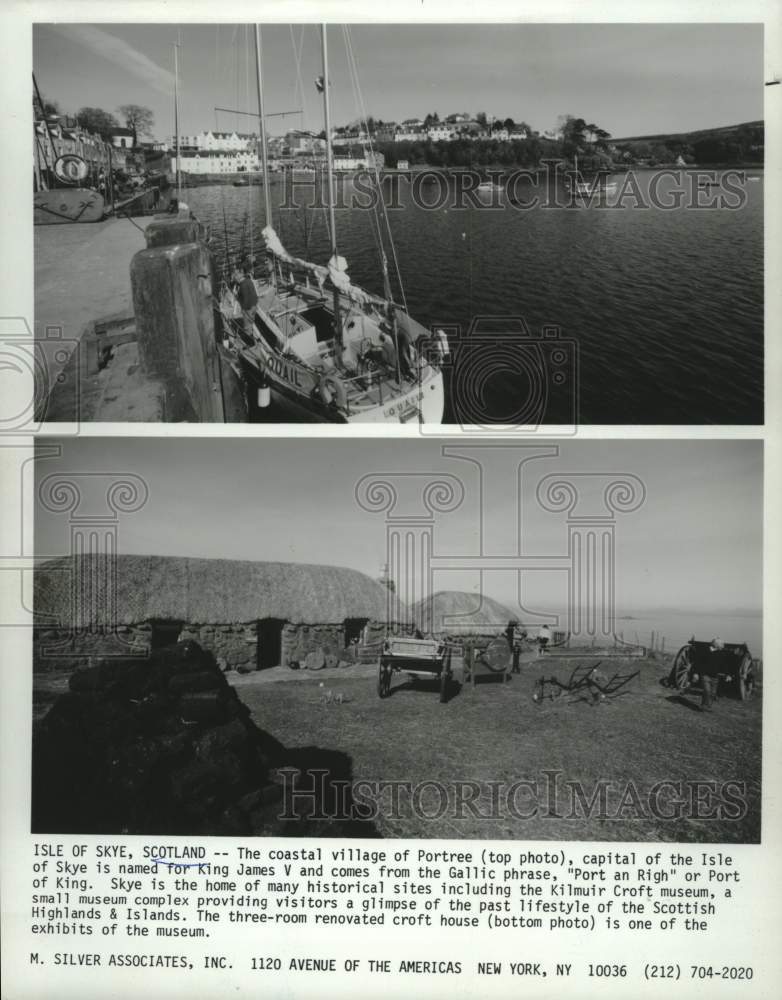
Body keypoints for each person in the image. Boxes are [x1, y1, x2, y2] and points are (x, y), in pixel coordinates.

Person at [235, 263, 259, 344]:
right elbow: (254, 295)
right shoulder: (248, 280)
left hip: (248, 309)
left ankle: (250, 343)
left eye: (236, 275)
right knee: (251, 324)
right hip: (254, 306)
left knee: (247, 327)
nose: (235, 277)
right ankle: (251, 336)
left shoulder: (243, 285)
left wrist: (243, 310)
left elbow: (246, 299)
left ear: (240, 275)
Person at [701, 637, 724, 711]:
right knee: (707, 690)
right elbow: (699, 662)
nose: (722, 646)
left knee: (713, 693)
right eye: (721, 645)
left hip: (715, 677)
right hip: (706, 675)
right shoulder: (706, 651)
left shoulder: (720, 654)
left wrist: (727, 674)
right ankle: (705, 705)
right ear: (717, 645)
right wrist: (697, 673)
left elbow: (724, 665)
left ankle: (707, 706)